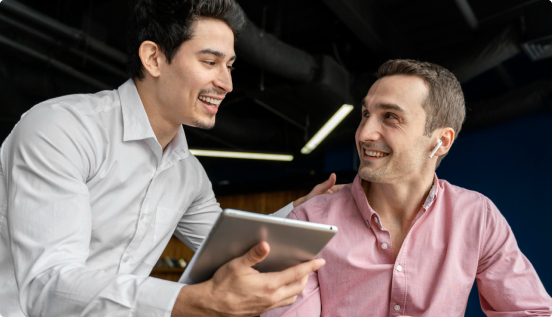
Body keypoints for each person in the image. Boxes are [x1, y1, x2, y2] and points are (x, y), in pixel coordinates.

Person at [0, 1, 339, 316]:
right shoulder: (62, 129)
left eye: (229, 66)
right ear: (154, 58)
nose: (227, 83)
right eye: (210, 62)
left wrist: (298, 209)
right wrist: (192, 302)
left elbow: (233, 243)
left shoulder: (188, 175)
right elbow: (47, 285)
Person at [262, 59, 552, 317]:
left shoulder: (478, 217)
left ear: (441, 142)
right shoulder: (309, 220)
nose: (364, 134)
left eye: (390, 117)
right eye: (365, 114)